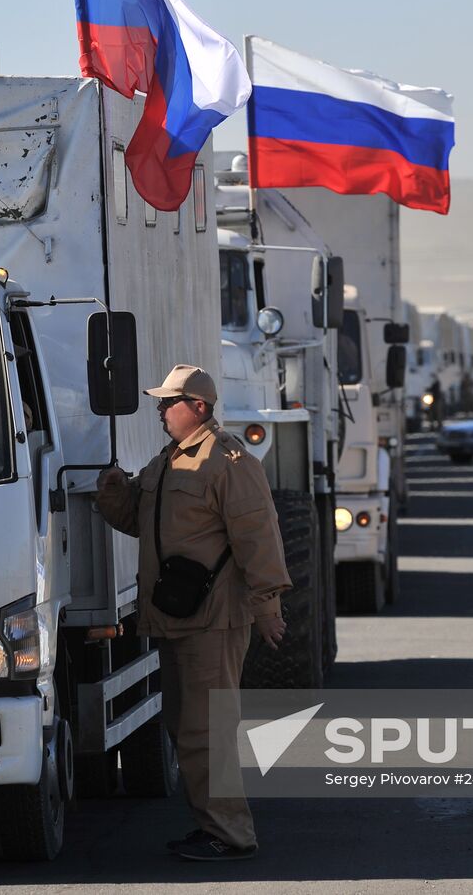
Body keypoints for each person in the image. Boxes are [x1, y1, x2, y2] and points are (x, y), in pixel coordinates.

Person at [96, 364, 290, 862]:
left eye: (169, 402)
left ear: (198, 407)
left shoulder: (229, 460)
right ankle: (213, 827)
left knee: (209, 728)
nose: (160, 409)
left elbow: (258, 536)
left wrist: (268, 604)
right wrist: (114, 490)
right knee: (187, 725)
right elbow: (138, 522)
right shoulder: (169, 461)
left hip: (215, 618)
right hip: (179, 615)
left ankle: (230, 834)